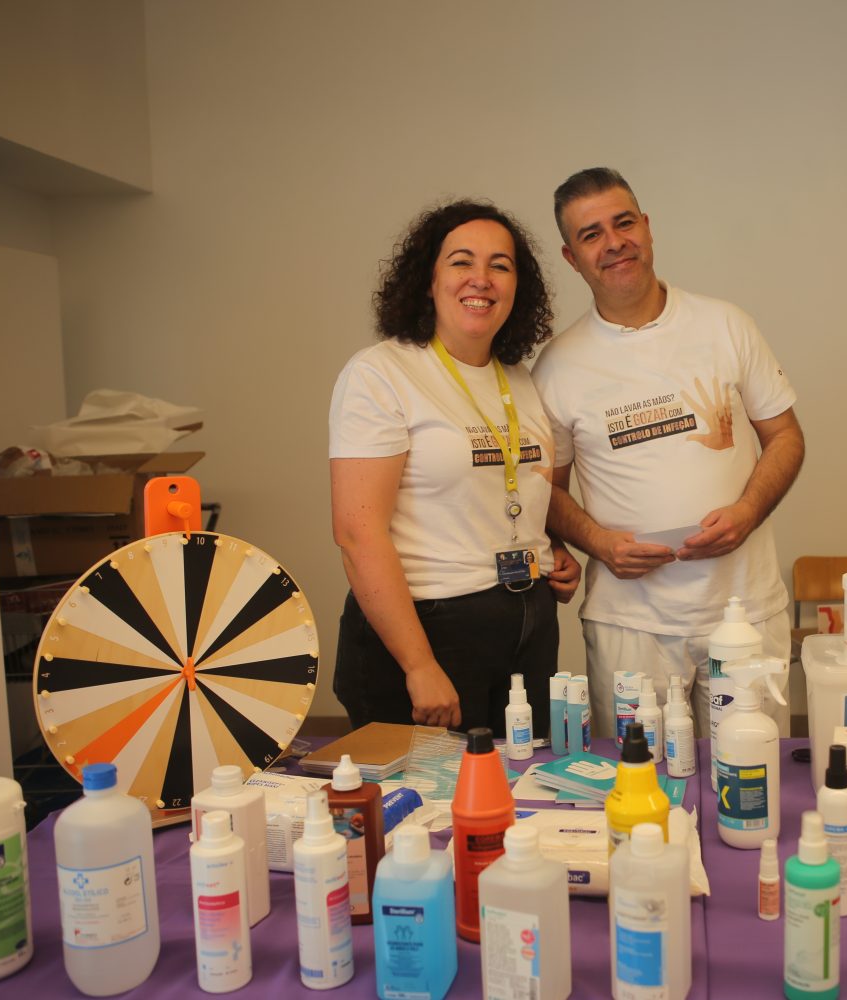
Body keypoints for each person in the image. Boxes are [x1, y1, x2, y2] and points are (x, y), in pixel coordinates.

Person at [531, 168, 804, 736]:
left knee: (752, 770)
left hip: (745, 610)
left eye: (624, 223)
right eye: (592, 234)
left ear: (647, 227)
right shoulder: (558, 366)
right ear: (572, 257)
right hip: (630, 625)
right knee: (641, 777)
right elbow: (545, 491)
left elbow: (785, 436)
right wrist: (598, 542)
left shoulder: (726, 325)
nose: (614, 243)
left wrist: (748, 511)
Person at [329, 200, 580, 735]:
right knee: (426, 790)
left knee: (522, 782)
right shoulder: (381, 374)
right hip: (428, 631)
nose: (481, 279)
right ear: (428, 279)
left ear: (518, 287)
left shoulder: (518, 378)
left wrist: (547, 550)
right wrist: (419, 665)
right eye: (462, 261)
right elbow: (357, 533)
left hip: (528, 626)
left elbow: (507, 492)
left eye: (500, 265)